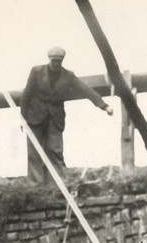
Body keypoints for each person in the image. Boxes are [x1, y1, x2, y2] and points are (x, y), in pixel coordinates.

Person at [20, 46, 113, 185]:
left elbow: (86, 89)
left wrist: (104, 106)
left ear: (62, 60)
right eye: (54, 61)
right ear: (49, 59)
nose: (56, 64)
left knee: (55, 150)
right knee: (34, 152)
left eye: (59, 61)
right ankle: (35, 186)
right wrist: (23, 117)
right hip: (34, 116)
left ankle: (58, 185)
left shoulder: (68, 75)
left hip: (55, 119)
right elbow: (26, 94)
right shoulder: (36, 71)